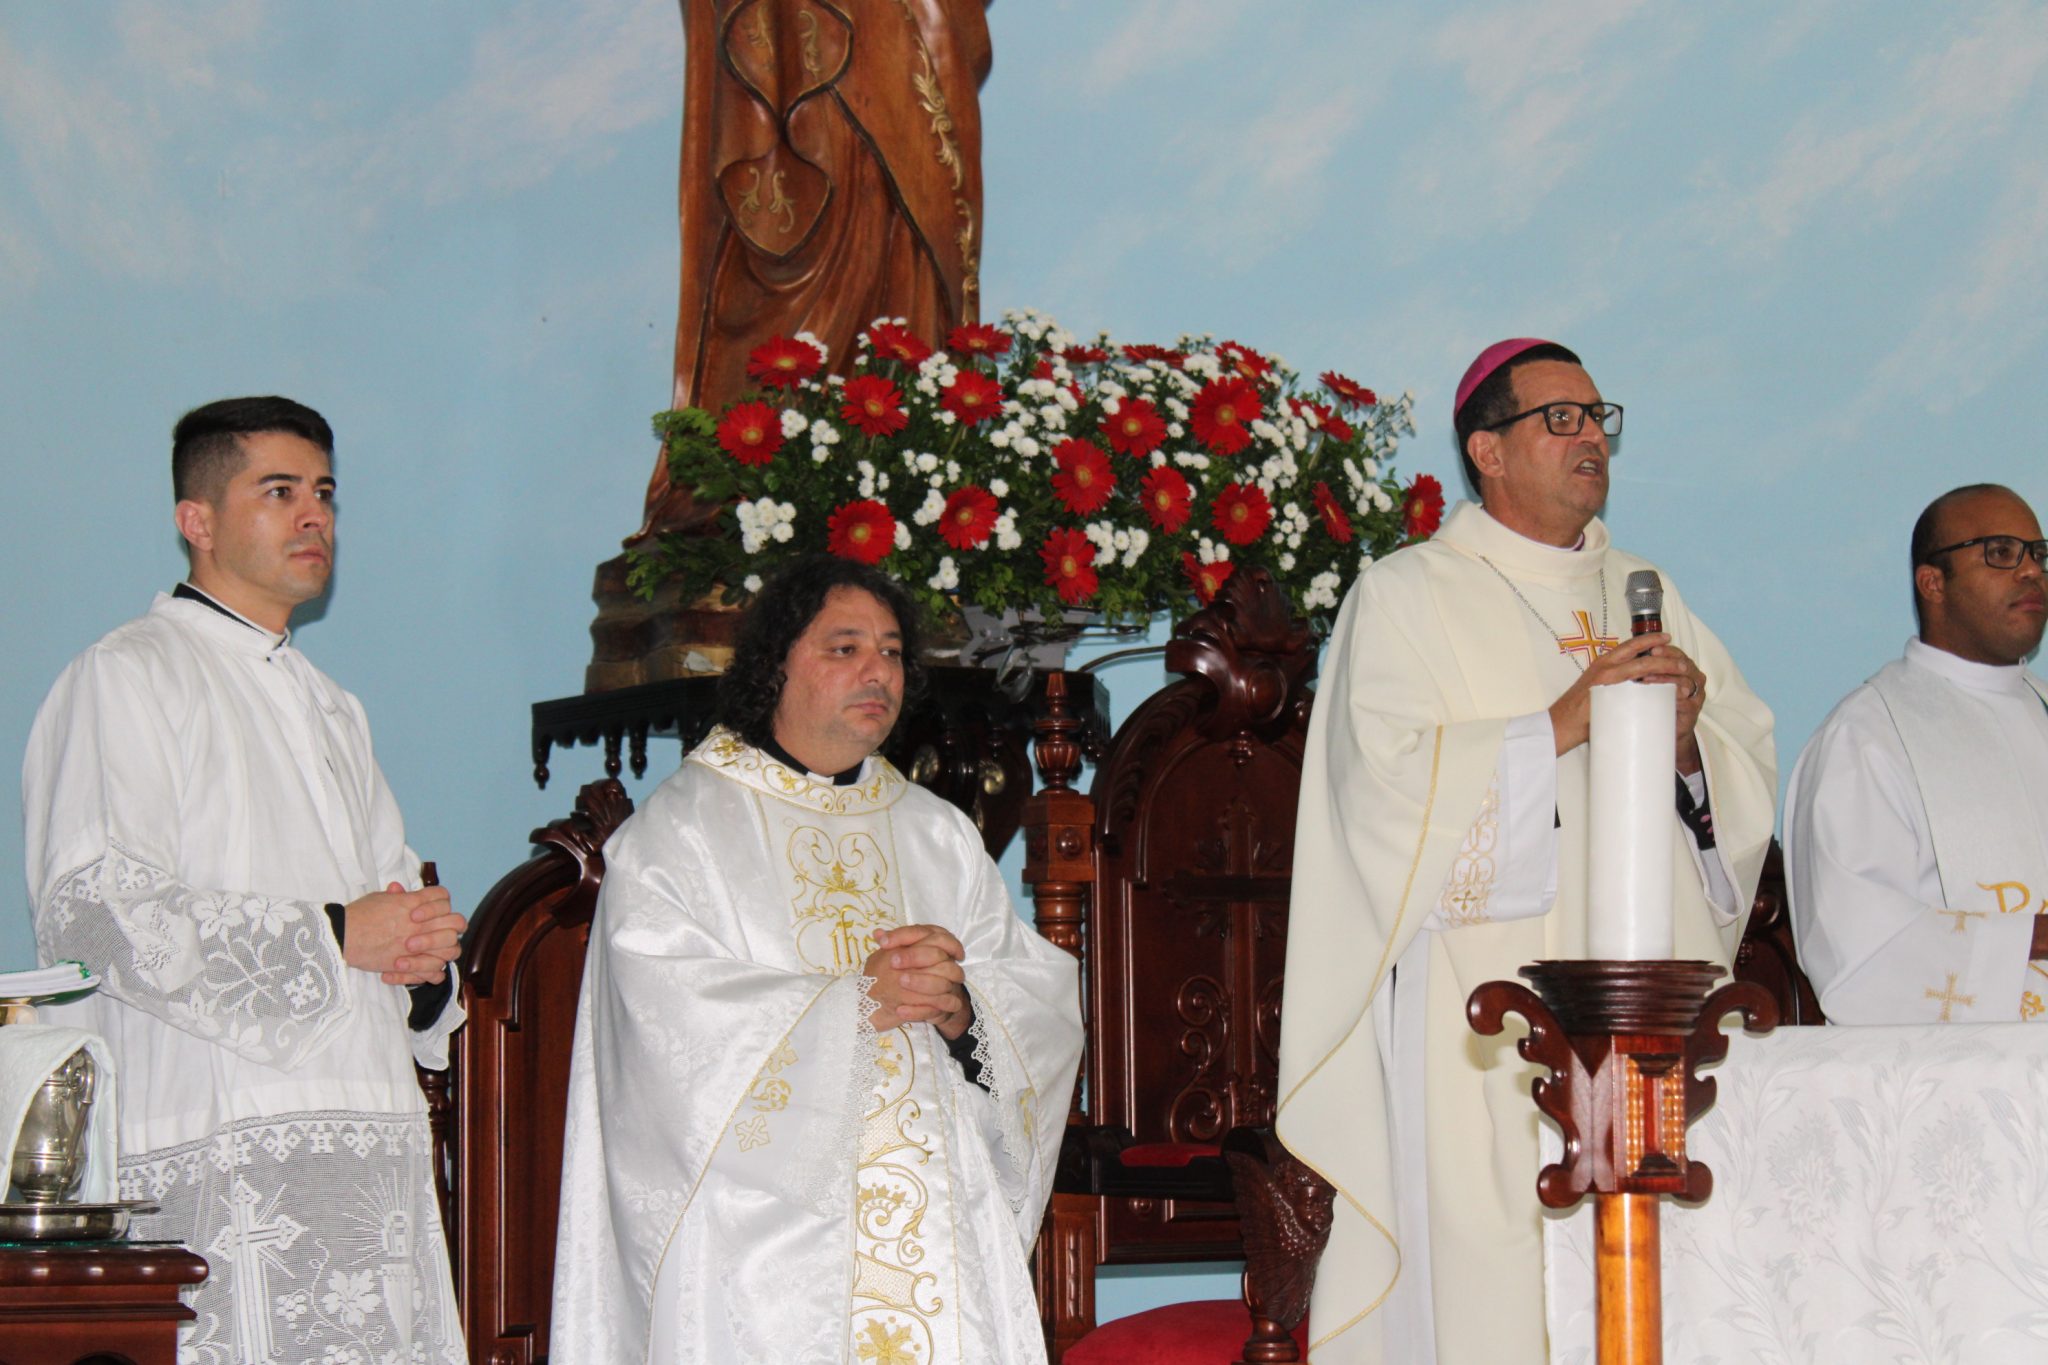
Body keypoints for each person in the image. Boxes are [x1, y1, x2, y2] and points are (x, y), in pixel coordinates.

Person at [1276, 340, 1777, 1364]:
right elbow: (1377, 792)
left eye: (1598, 417)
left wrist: (1687, 743)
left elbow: (1740, 779)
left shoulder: (1647, 589)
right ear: (1486, 450)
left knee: (1672, 1272)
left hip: (1653, 1006)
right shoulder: (1408, 593)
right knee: (1498, 1273)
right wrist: (1559, 723)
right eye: (1560, 418)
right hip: (1491, 1011)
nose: (1591, 437)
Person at [22, 396, 468, 1363]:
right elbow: (93, 913)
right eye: (279, 491)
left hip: (364, 1145)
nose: (315, 516)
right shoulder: (126, 675)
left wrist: (424, 964)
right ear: (198, 519)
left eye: (325, 493)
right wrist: (335, 933)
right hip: (223, 1138)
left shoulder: (332, 706)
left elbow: (386, 900)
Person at [551, 556, 1082, 1365]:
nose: (878, 671)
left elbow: (1036, 1002)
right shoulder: (682, 830)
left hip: (939, 1231)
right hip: (763, 1252)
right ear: (775, 665)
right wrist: (853, 1003)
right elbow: (665, 1033)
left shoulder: (938, 832)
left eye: (893, 651)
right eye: (845, 648)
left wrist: (964, 1009)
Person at [1786, 483, 2048, 1023]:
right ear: (1933, 583)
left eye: (2039, 555)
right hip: (1970, 1068)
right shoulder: (1867, 737)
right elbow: (1858, 953)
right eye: (2001, 552)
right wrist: (2030, 938)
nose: (2031, 572)